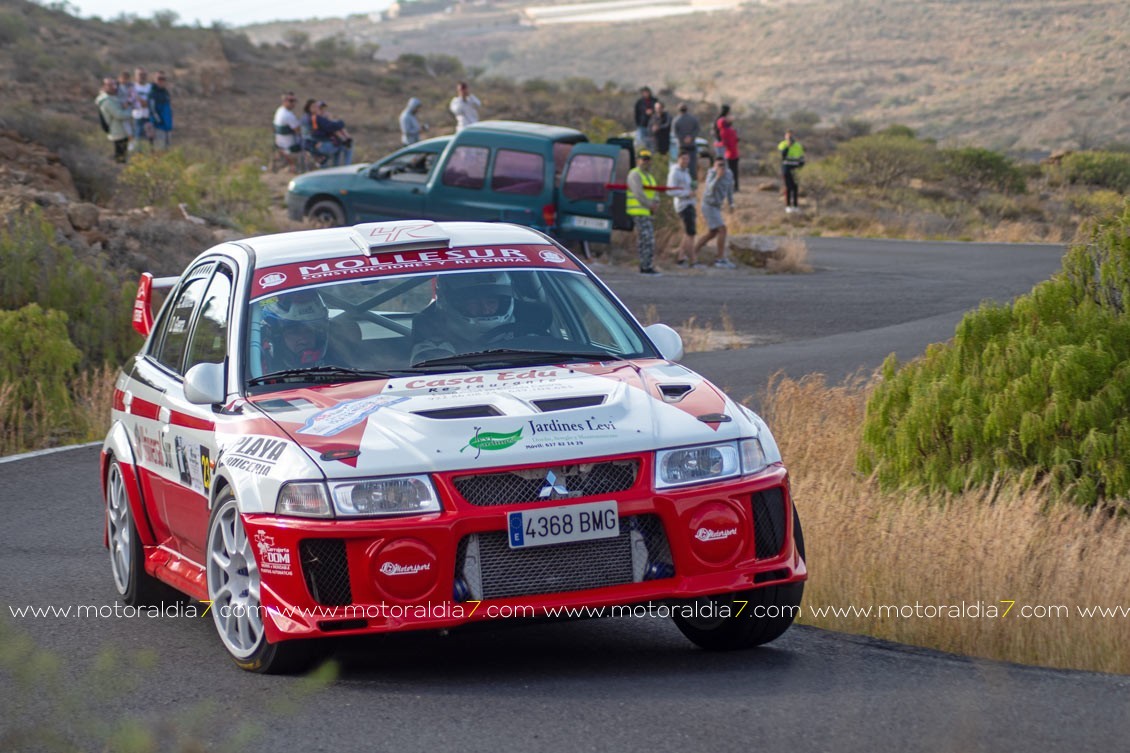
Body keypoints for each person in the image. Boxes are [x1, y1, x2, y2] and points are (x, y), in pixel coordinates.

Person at [409, 271, 549, 364]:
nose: (485, 309)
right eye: (474, 303)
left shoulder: (529, 331)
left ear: (504, 302)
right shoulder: (432, 336)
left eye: (491, 302)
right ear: (452, 304)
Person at [258, 290, 346, 371]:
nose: (304, 339)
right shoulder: (257, 365)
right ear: (277, 336)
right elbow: (259, 303)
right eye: (294, 332)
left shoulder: (339, 361)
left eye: (309, 330)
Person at [693, 157, 736, 268]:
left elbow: (730, 189)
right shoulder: (711, 174)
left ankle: (693, 251)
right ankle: (720, 258)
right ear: (714, 166)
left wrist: (731, 203)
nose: (721, 167)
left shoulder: (729, 173)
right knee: (722, 229)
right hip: (708, 205)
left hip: (717, 206)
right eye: (718, 165)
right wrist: (717, 177)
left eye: (723, 165)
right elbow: (709, 190)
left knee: (712, 233)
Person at [626, 149, 661, 275]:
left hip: (647, 213)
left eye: (647, 159)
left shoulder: (649, 176)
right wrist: (649, 204)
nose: (645, 162)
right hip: (638, 211)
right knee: (647, 239)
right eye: (643, 159)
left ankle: (646, 265)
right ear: (638, 160)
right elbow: (638, 193)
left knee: (647, 240)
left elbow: (655, 192)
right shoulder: (635, 174)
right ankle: (645, 266)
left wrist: (656, 203)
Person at [668, 149, 699, 267]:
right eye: (683, 159)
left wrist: (692, 191)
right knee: (690, 233)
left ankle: (682, 256)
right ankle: (692, 260)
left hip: (690, 203)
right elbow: (670, 191)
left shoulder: (686, 172)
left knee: (689, 233)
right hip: (683, 205)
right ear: (678, 159)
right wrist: (686, 194)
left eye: (687, 159)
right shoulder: (674, 172)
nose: (685, 161)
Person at [95, 77, 132, 163]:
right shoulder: (107, 101)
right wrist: (130, 112)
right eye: (110, 85)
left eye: (114, 84)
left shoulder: (113, 98)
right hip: (117, 132)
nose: (113, 87)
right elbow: (119, 115)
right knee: (120, 157)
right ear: (104, 87)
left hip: (122, 130)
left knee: (123, 155)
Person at [311, 101, 354, 167]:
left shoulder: (322, 118)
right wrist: (340, 123)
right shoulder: (318, 118)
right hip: (324, 144)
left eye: (323, 108)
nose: (323, 110)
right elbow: (331, 127)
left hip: (330, 142)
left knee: (344, 144)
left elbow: (333, 126)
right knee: (347, 147)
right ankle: (346, 166)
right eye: (320, 108)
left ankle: (346, 139)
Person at [272, 91, 303, 172]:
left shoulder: (279, 111)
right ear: (284, 101)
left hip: (279, 143)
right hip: (290, 146)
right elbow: (298, 130)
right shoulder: (288, 115)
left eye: (294, 101)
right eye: (291, 101)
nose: (293, 103)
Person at [671, 102, 701, 180]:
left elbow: (675, 133)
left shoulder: (676, 120)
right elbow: (697, 129)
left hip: (682, 146)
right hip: (692, 145)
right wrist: (691, 137)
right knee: (692, 166)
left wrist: (683, 138)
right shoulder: (693, 119)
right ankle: (693, 182)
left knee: (682, 165)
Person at [779, 130, 806, 213]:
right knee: (788, 187)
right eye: (788, 136)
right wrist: (788, 146)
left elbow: (802, 158)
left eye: (791, 136)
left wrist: (801, 168)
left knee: (795, 187)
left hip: (796, 169)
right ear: (785, 136)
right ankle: (788, 206)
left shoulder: (798, 146)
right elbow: (783, 155)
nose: (790, 138)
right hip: (786, 168)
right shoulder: (782, 144)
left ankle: (795, 205)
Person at [717, 108, 740, 191]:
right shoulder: (732, 130)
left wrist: (717, 144)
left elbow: (725, 143)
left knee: (730, 172)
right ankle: (736, 186)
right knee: (735, 171)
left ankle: (731, 187)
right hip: (735, 152)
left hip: (730, 154)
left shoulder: (724, 132)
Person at [148, 71, 173, 149]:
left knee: (167, 152)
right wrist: (159, 122)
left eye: (163, 79)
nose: (161, 81)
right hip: (158, 128)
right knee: (159, 151)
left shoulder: (165, 92)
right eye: (159, 78)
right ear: (154, 79)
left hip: (167, 127)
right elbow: (152, 110)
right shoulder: (152, 93)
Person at [132, 67, 155, 150]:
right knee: (138, 142)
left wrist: (143, 101)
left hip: (149, 118)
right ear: (135, 76)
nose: (142, 76)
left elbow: (150, 102)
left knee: (151, 143)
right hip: (136, 118)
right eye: (140, 74)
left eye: (144, 75)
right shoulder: (132, 87)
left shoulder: (151, 87)